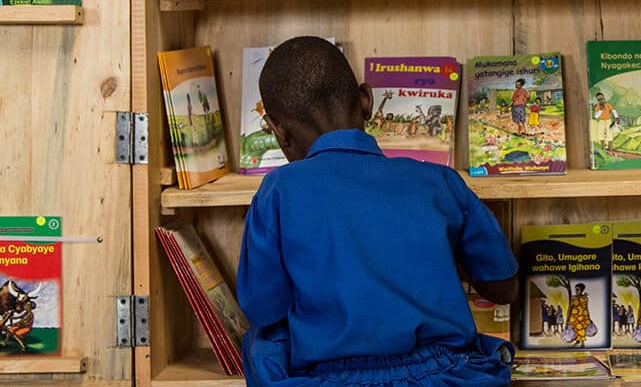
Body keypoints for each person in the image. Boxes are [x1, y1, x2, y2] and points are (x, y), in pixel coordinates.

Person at [236, 36, 519, 387]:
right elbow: (504, 288)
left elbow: (265, 309)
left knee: (259, 342)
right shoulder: (438, 181)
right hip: (444, 375)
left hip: (330, 376)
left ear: (278, 128)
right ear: (367, 100)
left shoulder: (278, 191)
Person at [567, 283, 591, 348]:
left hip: (583, 316)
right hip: (574, 316)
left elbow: (586, 307)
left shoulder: (585, 298)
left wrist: (588, 317)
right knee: (575, 329)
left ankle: (582, 343)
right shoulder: (574, 297)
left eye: (578, 289)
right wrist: (568, 317)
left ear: (582, 290)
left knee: (582, 329)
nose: (576, 291)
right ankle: (577, 341)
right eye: (575, 289)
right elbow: (570, 307)